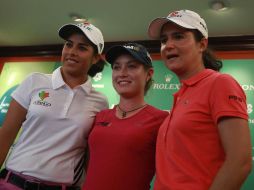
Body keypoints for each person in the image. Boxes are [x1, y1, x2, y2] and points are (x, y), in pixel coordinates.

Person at [147, 9, 252, 190]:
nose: (168, 45)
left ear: (202, 44)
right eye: (164, 40)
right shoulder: (181, 94)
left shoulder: (219, 83)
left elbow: (240, 162)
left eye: (178, 36)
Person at [0, 22, 108, 190]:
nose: (72, 52)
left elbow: (89, 154)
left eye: (82, 48)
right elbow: (5, 135)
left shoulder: (100, 101)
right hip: (13, 183)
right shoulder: (34, 81)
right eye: (68, 44)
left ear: (95, 58)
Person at [82, 43, 168, 190]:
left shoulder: (161, 119)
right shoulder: (101, 116)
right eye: (116, 67)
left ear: (149, 74)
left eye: (132, 66)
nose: (122, 73)